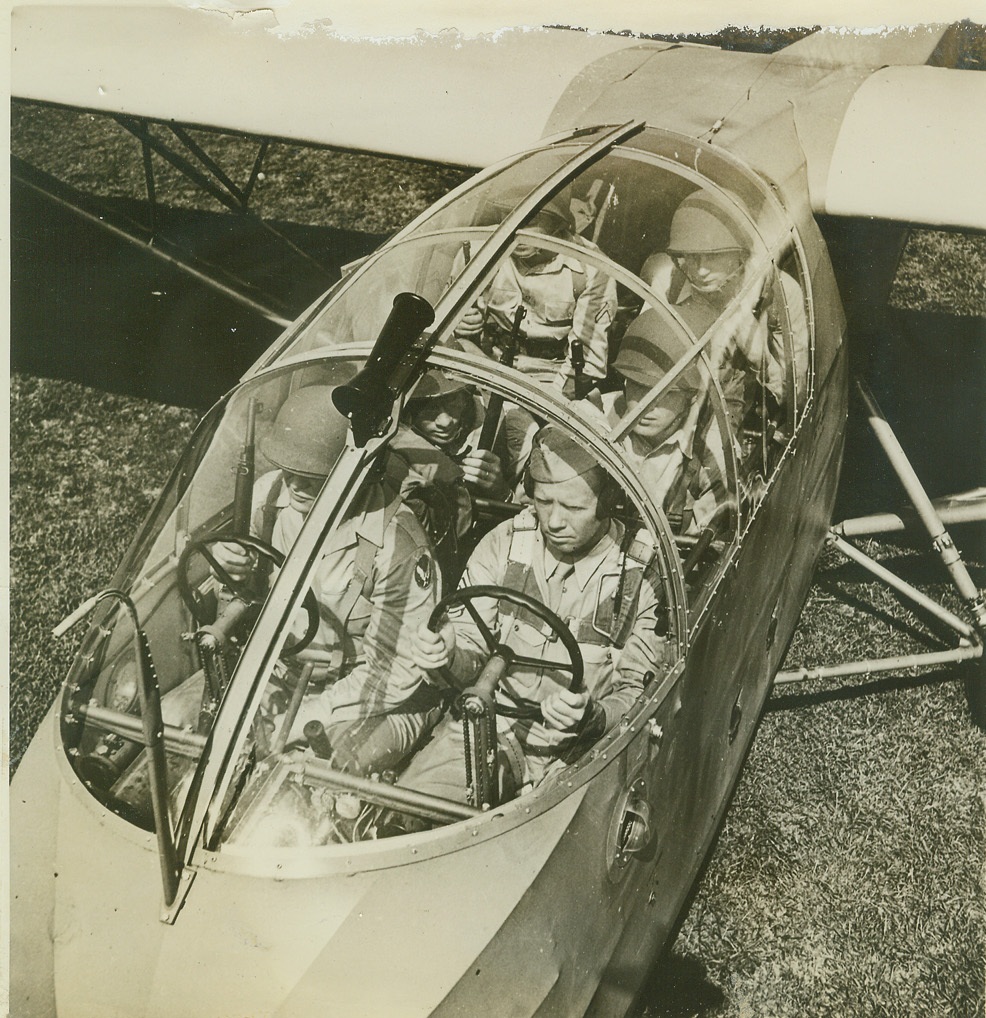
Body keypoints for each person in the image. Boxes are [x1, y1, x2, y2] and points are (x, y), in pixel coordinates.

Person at [399, 424, 670, 807]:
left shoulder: (640, 574)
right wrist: (448, 653)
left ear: (608, 502)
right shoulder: (507, 542)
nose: (554, 521)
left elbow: (639, 694)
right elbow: (470, 649)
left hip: (582, 750)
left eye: (573, 508)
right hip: (492, 725)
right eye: (543, 502)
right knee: (412, 807)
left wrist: (593, 716)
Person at [210, 385, 446, 776]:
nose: (294, 484)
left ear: (355, 472)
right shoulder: (268, 499)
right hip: (278, 674)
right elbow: (237, 593)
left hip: (370, 697)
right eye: (289, 470)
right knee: (188, 726)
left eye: (312, 476)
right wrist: (229, 568)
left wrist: (302, 718)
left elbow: (394, 672)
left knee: (319, 776)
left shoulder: (396, 544)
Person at [640, 188, 809, 429]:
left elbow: (796, 400)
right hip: (671, 409)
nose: (701, 270)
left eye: (713, 256)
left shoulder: (782, 295)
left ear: (741, 253)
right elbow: (641, 362)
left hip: (742, 421)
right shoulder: (669, 281)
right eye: (692, 257)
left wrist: (759, 357)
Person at [453, 194, 618, 395]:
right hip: (488, 366)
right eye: (509, 216)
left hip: (554, 379)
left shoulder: (591, 267)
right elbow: (444, 326)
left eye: (531, 220)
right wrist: (460, 324)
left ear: (557, 222)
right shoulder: (478, 249)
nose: (518, 229)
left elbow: (587, 363)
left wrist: (541, 401)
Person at [590, 311, 731, 537]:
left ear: (692, 395)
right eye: (637, 386)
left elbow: (698, 545)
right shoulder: (596, 416)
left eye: (665, 393)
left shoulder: (714, 453)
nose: (646, 405)